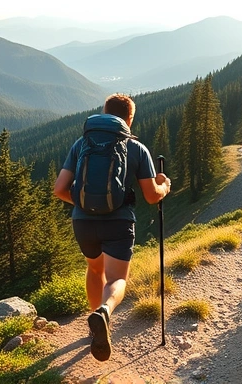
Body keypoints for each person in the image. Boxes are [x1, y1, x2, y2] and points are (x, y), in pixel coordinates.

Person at [54, 93, 171, 361]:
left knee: (94, 270)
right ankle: (104, 312)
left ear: (104, 112)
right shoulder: (136, 148)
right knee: (117, 279)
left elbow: (59, 189)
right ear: (129, 119)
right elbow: (152, 196)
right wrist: (165, 186)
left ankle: (95, 326)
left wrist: (85, 203)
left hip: (82, 221)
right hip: (119, 222)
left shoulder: (82, 144)